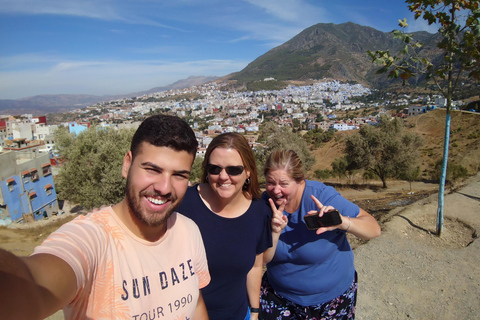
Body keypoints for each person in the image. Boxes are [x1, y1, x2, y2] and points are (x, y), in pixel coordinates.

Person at [0, 115, 211, 320]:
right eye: (152, 170)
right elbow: (32, 286)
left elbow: (196, 303)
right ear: (127, 165)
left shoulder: (188, 230)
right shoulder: (92, 239)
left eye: (179, 175)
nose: (164, 188)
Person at [260, 149, 381, 319]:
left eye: (284, 184)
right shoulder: (263, 206)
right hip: (280, 297)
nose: (276, 190)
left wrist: (342, 222)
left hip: (333, 299)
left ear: (300, 181)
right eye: (270, 182)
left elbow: (374, 229)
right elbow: (260, 260)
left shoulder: (322, 196)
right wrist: (274, 232)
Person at [176, 132, 272, 320]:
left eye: (233, 170)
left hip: (238, 315)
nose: (223, 177)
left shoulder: (259, 210)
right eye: (214, 169)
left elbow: (255, 266)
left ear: (248, 171)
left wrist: (254, 312)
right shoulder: (183, 204)